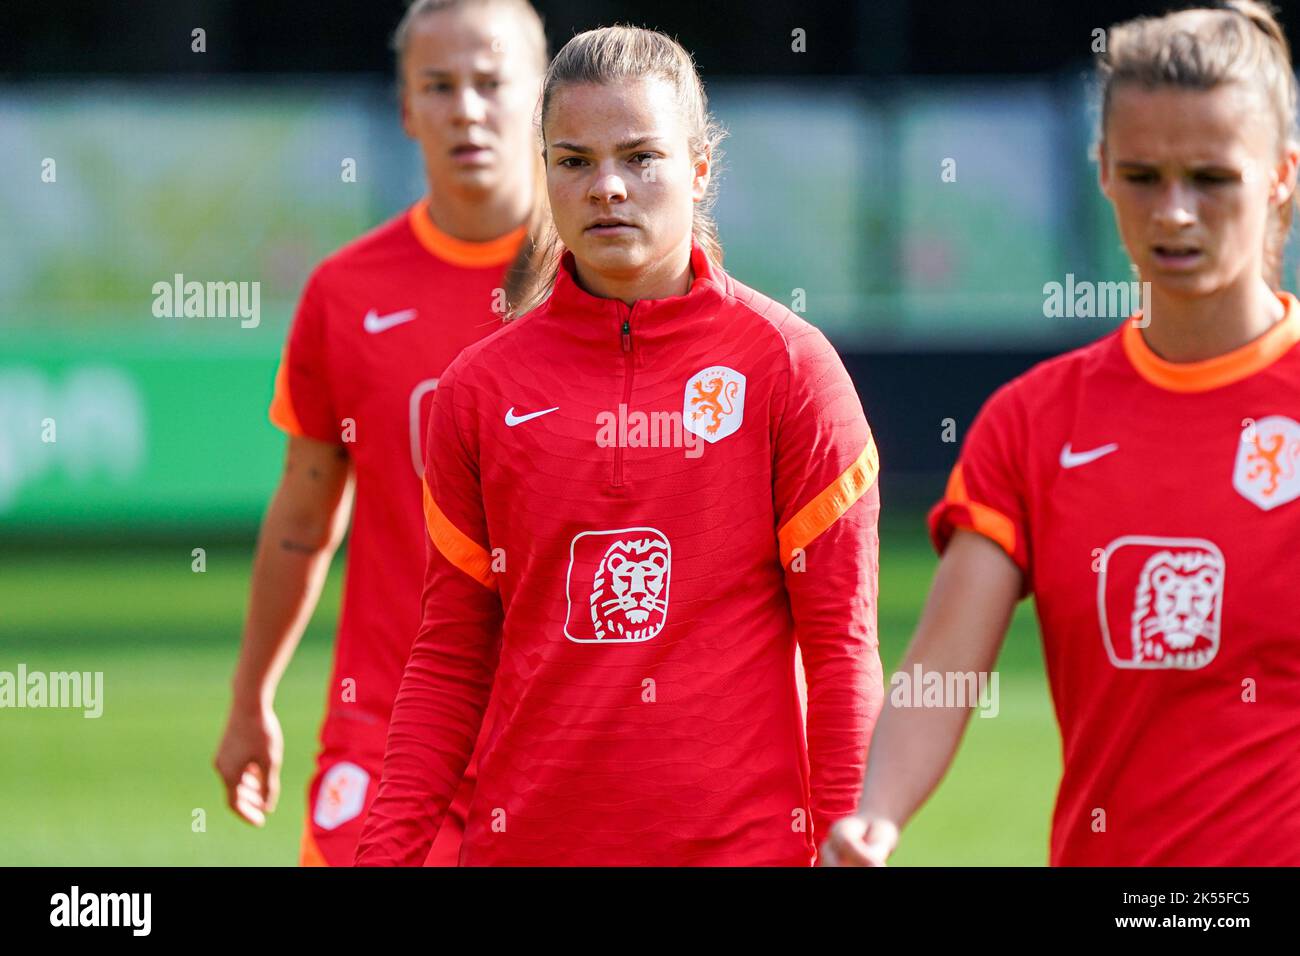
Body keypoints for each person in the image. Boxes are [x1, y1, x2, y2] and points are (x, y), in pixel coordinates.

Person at [354, 25, 883, 866]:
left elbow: (841, 646)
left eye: (641, 157)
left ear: (700, 168)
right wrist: (385, 855)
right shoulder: (479, 389)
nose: (607, 188)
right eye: (574, 161)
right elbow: (451, 658)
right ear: (545, 172)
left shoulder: (789, 367)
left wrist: (845, 838)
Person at [822, 0, 1300, 867]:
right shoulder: (1036, 423)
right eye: (1145, 175)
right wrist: (877, 813)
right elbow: (944, 670)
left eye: (1213, 177)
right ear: (1103, 170)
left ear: (1280, 175)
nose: (1176, 213)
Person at [213, 0, 548, 866]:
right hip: (389, 729)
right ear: (404, 108)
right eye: (438, 86)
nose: (466, 108)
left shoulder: (611, 278)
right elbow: (302, 521)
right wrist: (252, 696)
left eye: (491, 82)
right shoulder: (346, 293)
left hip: (566, 732)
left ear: (543, 95)